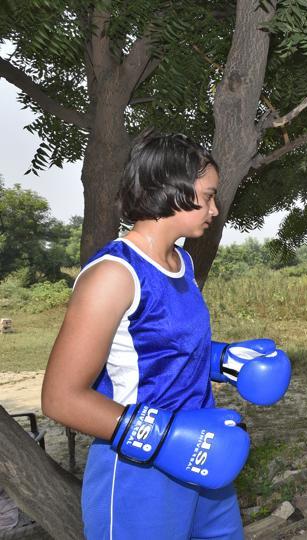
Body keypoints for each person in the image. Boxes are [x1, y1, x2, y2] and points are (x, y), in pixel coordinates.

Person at [41, 132, 291, 539]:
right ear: (171, 191)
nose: (214, 208)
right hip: (140, 470)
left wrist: (224, 360)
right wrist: (164, 438)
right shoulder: (114, 275)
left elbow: (163, 349)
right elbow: (59, 398)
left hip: (202, 451)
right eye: (208, 196)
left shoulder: (182, 263)